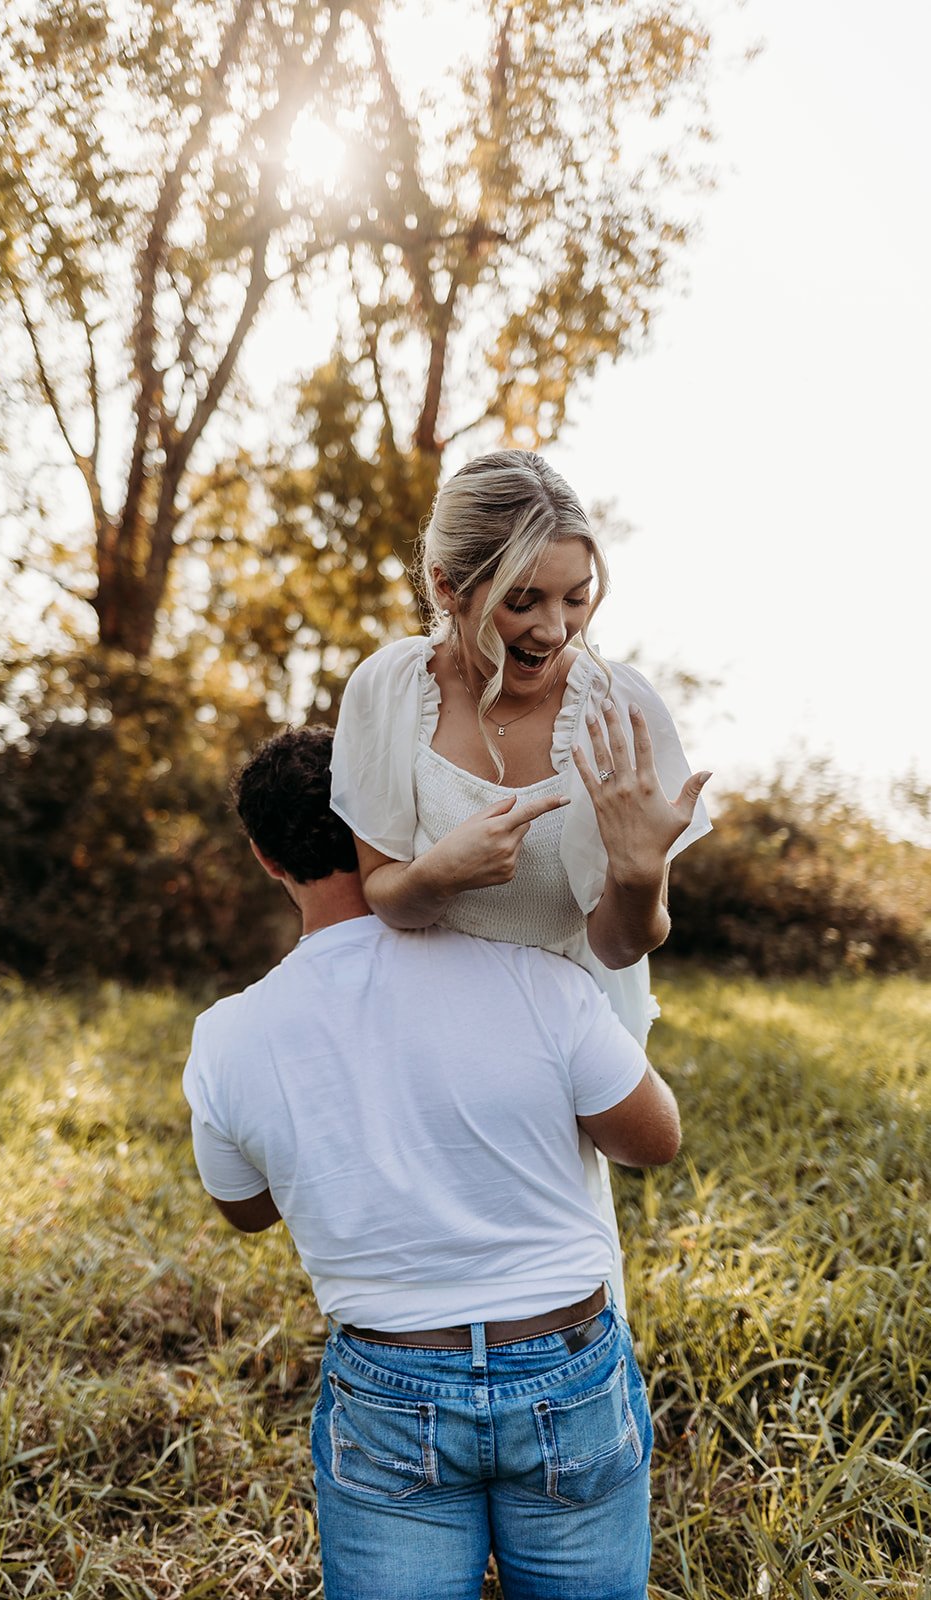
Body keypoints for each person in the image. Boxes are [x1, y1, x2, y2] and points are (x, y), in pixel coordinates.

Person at [183, 725, 683, 1600]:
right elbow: (652, 1141)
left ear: (265, 858)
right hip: (564, 1365)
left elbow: (246, 1209)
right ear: (402, 814)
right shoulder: (532, 975)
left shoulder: (227, 1036)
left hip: (387, 1380)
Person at [329, 448, 711, 1306]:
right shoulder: (388, 691)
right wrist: (441, 873)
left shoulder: (620, 710)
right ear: (446, 586)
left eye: (576, 598)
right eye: (522, 600)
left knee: (558, 1268)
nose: (554, 628)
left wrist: (639, 875)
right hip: (429, 1015)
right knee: (430, 1264)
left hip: (567, 1023)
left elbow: (618, 946)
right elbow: (383, 894)